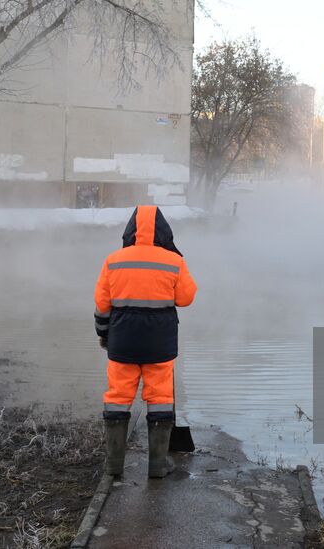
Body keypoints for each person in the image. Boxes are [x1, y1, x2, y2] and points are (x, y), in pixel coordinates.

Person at [94, 205, 197, 478]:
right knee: (161, 399)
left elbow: (102, 305)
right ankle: (157, 465)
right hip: (159, 344)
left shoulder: (114, 260)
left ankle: (113, 465)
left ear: (130, 231)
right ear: (164, 232)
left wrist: (104, 334)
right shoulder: (173, 261)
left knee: (117, 398)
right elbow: (186, 298)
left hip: (122, 342)